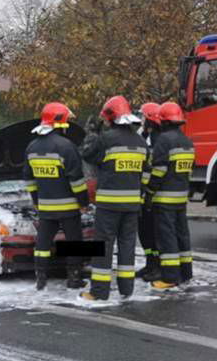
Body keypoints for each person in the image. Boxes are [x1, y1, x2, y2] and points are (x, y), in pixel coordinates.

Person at [80, 95, 147, 300]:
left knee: (104, 245)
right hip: (132, 206)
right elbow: (145, 174)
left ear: (111, 117)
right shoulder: (141, 142)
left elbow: (88, 155)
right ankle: (126, 289)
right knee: (127, 246)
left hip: (109, 205)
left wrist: (92, 134)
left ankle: (99, 292)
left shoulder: (106, 139)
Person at [23, 102, 89, 290]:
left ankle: (41, 279)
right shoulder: (66, 146)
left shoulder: (31, 147)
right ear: (60, 122)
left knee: (43, 242)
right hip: (68, 208)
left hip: (45, 207)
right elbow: (76, 180)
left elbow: (29, 179)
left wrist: (36, 201)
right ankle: (74, 278)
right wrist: (83, 203)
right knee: (74, 242)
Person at [145, 101, 195, 290]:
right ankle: (185, 273)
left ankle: (170, 277)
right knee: (183, 235)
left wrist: (149, 192)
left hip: (164, 199)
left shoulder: (164, 141)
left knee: (167, 238)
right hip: (181, 198)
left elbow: (158, 170)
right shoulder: (187, 141)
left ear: (163, 122)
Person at [136, 102, 162, 281]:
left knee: (153, 233)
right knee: (144, 232)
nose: (141, 121)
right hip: (145, 194)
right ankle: (150, 263)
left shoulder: (159, 141)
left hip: (153, 195)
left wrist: (146, 193)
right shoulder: (146, 137)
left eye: (143, 117)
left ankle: (157, 266)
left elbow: (151, 170)